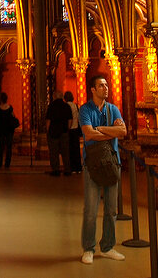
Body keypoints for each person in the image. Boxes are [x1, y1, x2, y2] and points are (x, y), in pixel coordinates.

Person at [79, 74, 127, 264]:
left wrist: (100, 129)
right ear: (92, 89)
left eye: (106, 85)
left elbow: (123, 132)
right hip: (92, 165)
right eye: (101, 85)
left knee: (111, 209)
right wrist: (109, 130)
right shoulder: (85, 109)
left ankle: (108, 246)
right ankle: (88, 248)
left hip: (112, 163)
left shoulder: (113, 109)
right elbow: (88, 134)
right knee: (91, 210)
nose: (105, 88)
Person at [44, 91, 72, 175]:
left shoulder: (51, 106)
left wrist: (48, 130)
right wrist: (67, 129)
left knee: (54, 152)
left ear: (54, 96)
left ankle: (56, 170)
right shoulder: (66, 106)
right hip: (64, 131)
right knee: (65, 152)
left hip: (53, 131)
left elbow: (48, 120)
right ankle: (67, 169)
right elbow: (70, 120)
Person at [0, 91, 18, 169]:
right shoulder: (10, 108)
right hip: (9, 129)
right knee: (9, 146)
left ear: (0, 99)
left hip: (1, 129)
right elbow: (13, 116)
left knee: (1, 146)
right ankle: (7, 163)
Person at [65, 90, 82, 174]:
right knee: (76, 149)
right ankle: (78, 167)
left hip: (69, 129)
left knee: (70, 149)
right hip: (76, 129)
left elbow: (68, 118)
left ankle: (72, 167)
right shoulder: (76, 105)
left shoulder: (66, 106)